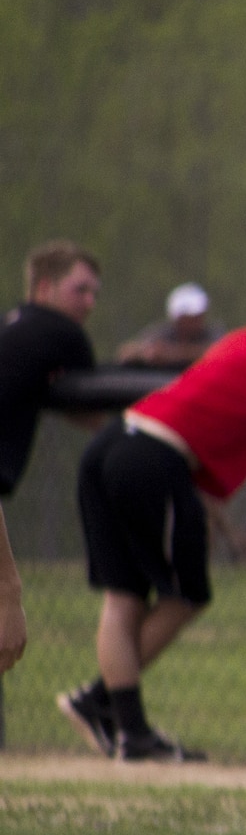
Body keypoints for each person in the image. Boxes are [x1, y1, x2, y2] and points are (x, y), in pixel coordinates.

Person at [56, 321, 246, 761]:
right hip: (153, 455)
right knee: (186, 594)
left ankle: (129, 731)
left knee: (124, 597)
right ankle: (102, 701)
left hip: (114, 442)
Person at [0, 241, 105, 673]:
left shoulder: (13, 330)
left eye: (94, 293)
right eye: (80, 289)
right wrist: (9, 593)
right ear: (44, 288)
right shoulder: (61, 333)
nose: (90, 303)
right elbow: (94, 410)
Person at [116, 284, 222, 368]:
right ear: (177, 317)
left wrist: (171, 354)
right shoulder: (162, 332)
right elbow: (126, 353)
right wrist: (147, 353)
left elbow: (218, 353)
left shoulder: (211, 333)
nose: (197, 320)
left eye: (199, 315)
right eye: (190, 316)